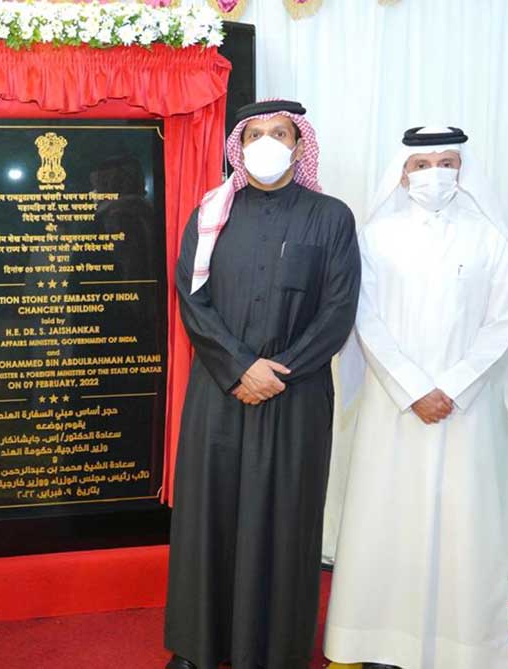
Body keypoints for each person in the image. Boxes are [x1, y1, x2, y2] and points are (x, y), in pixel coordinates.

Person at [165, 99, 361, 669]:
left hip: (294, 396)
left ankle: (272, 651)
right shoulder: (210, 213)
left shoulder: (331, 217)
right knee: (209, 515)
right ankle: (197, 648)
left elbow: (339, 309)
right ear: (239, 147)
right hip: (219, 390)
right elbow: (192, 298)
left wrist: (281, 371)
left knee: (284, 519)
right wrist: (240, 367)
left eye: (281, 133)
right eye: (256, 135)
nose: (269, 143)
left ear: (300, 145)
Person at [325, 126, 508, 669]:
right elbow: (362, 315)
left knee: (463, 524)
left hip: (466, 407)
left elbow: (505, 320)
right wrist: (414, 389)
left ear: (463, 170)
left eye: (446, 162)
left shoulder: (488, 237)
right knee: (384, 518)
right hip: (394, 406)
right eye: (421, 164)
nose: (433, 174)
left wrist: (454, 386)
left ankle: (465, 651)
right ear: (402, 172)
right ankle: (377, 646)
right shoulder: (375, 235)